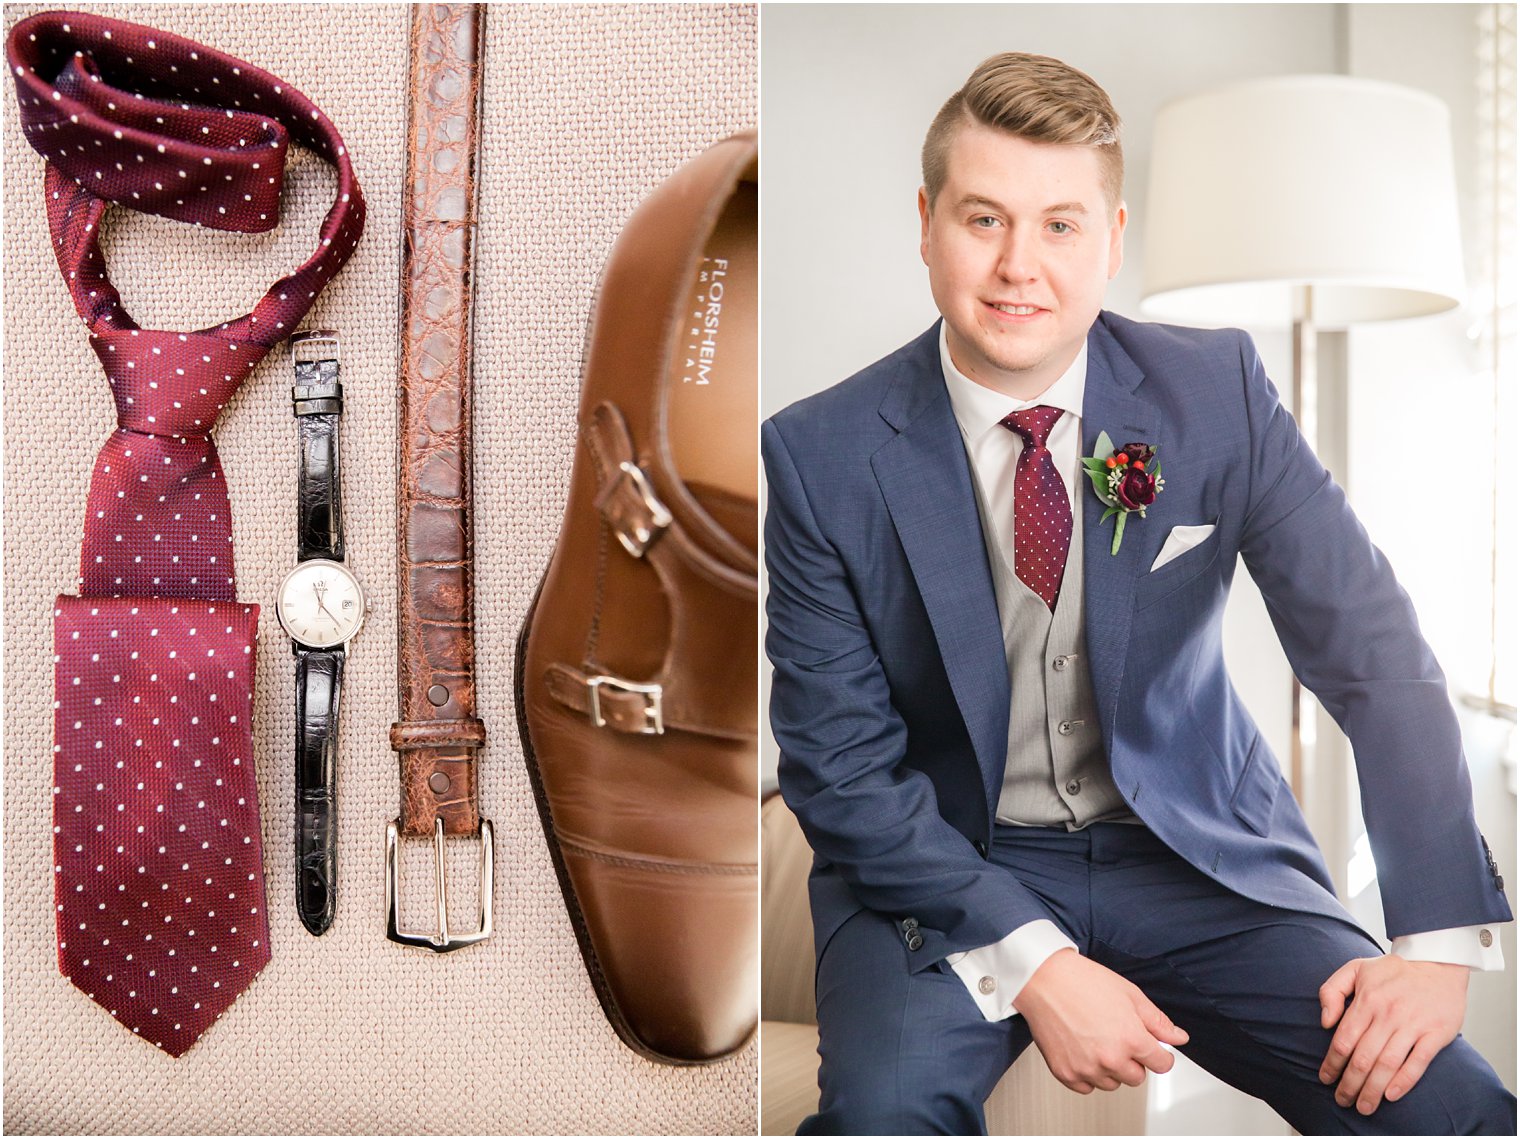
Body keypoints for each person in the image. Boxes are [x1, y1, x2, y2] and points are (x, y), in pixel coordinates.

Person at [763, 52, 1515, 1135]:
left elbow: (1371, 651)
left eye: (1060, 224)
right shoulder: (817, 453)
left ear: (1113, 237)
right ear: (924, 222)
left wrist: (1436, 940)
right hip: (940, 864)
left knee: (1448, 1106)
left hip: (1191, 852)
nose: (1019, 264)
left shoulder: (1217, 395)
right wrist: (1035, 962)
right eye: (983, 219)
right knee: (879, 1116)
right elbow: (838, 772)